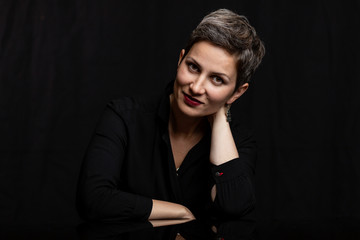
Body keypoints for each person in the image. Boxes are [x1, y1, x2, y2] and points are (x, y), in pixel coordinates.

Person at [77, 8, 265, 222]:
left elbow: (235, 208)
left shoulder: (240, 143)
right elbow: (92, 199)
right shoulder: (124, 117)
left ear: (238, 92)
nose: (196, 87)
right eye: (193, 67)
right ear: (180, 60)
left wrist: (221, 119)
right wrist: (179, 211)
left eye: (217, 79)